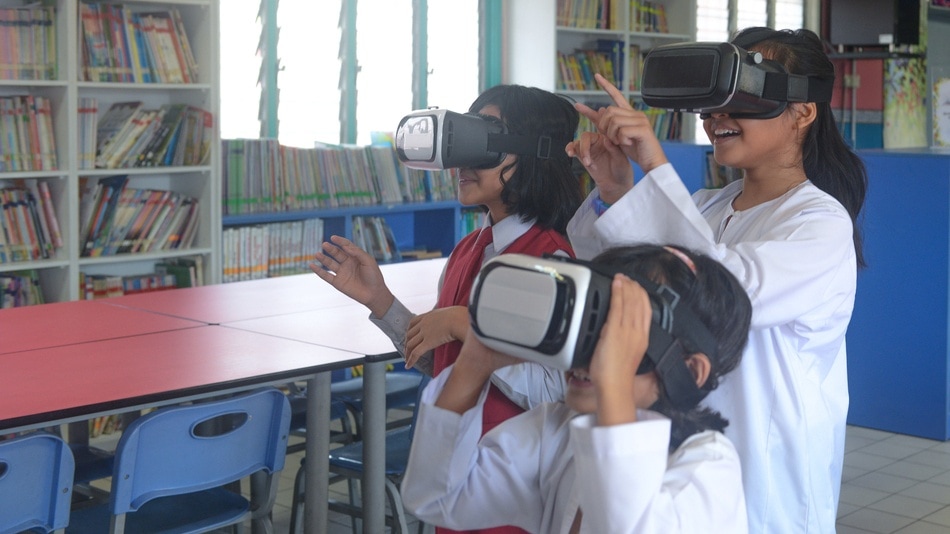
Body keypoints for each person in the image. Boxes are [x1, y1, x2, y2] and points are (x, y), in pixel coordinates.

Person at [565, 28, 867, 533]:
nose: (718, 117)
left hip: (767, 481)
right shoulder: (706, 205)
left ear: (804, 111)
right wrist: (618, 189)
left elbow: (721, 292)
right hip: (682, 463)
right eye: (710, 104)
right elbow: (618, 283)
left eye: (741, 98)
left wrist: (654, 164)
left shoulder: (820, 223)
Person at [312, 85, 583, 534]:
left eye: (484, 144)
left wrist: (467, 326)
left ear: (535, 154)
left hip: (516, 500)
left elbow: (558, 393)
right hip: (456, 484)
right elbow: (441, 366)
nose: (462, 164)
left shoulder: (555, 261)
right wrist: (381, 302)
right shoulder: (469, 250)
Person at [400, 244, 753, 533]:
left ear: (689, 370)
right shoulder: (558, 431)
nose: (585, 354)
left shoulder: (709, 467)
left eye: (615, 333)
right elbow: (437, 498)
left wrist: (611, 379)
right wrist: (474, 365)